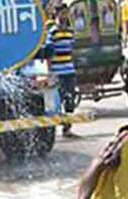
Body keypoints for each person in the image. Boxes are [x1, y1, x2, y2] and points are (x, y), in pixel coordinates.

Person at [46, 3, 78, 138]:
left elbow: (73, 50)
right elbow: (48, 53)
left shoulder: (70, 31)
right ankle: (54, 128)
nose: (64, 16)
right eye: (62, 13)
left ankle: (67, 128)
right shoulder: (52, 32)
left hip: (69, 70)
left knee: (70, 99)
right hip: (57, 71)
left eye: (66, 13)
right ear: (56, 14)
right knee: (57, 101)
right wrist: (50, 72)